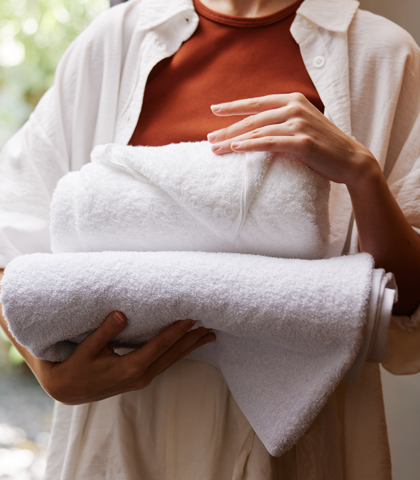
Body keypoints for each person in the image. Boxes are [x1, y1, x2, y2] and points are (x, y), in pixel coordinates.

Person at [1, 0, 420, 477]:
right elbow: (11, 235)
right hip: (123, 424)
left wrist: (362, 173)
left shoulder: (385, 55)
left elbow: (406, 307)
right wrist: (49, 372)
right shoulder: (113, 40)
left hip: (302, 439)